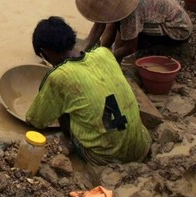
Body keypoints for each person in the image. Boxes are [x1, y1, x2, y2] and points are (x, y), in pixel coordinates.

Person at [27, 17, 151, 165]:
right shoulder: (104, 53)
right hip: (141, 146)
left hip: (105, 156)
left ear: (44, 52)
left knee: (62, 102)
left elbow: (35, 121)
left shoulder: (59, 76)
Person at [78, 0, 192, 61]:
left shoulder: (131, 8)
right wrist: (84, 52)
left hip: (177, 29)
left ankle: (146, 45)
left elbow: (130, 47)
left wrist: (109, 60)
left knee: (123, 27)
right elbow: (99, 25)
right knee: (113, 22)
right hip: (159, 16)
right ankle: (104, 50)